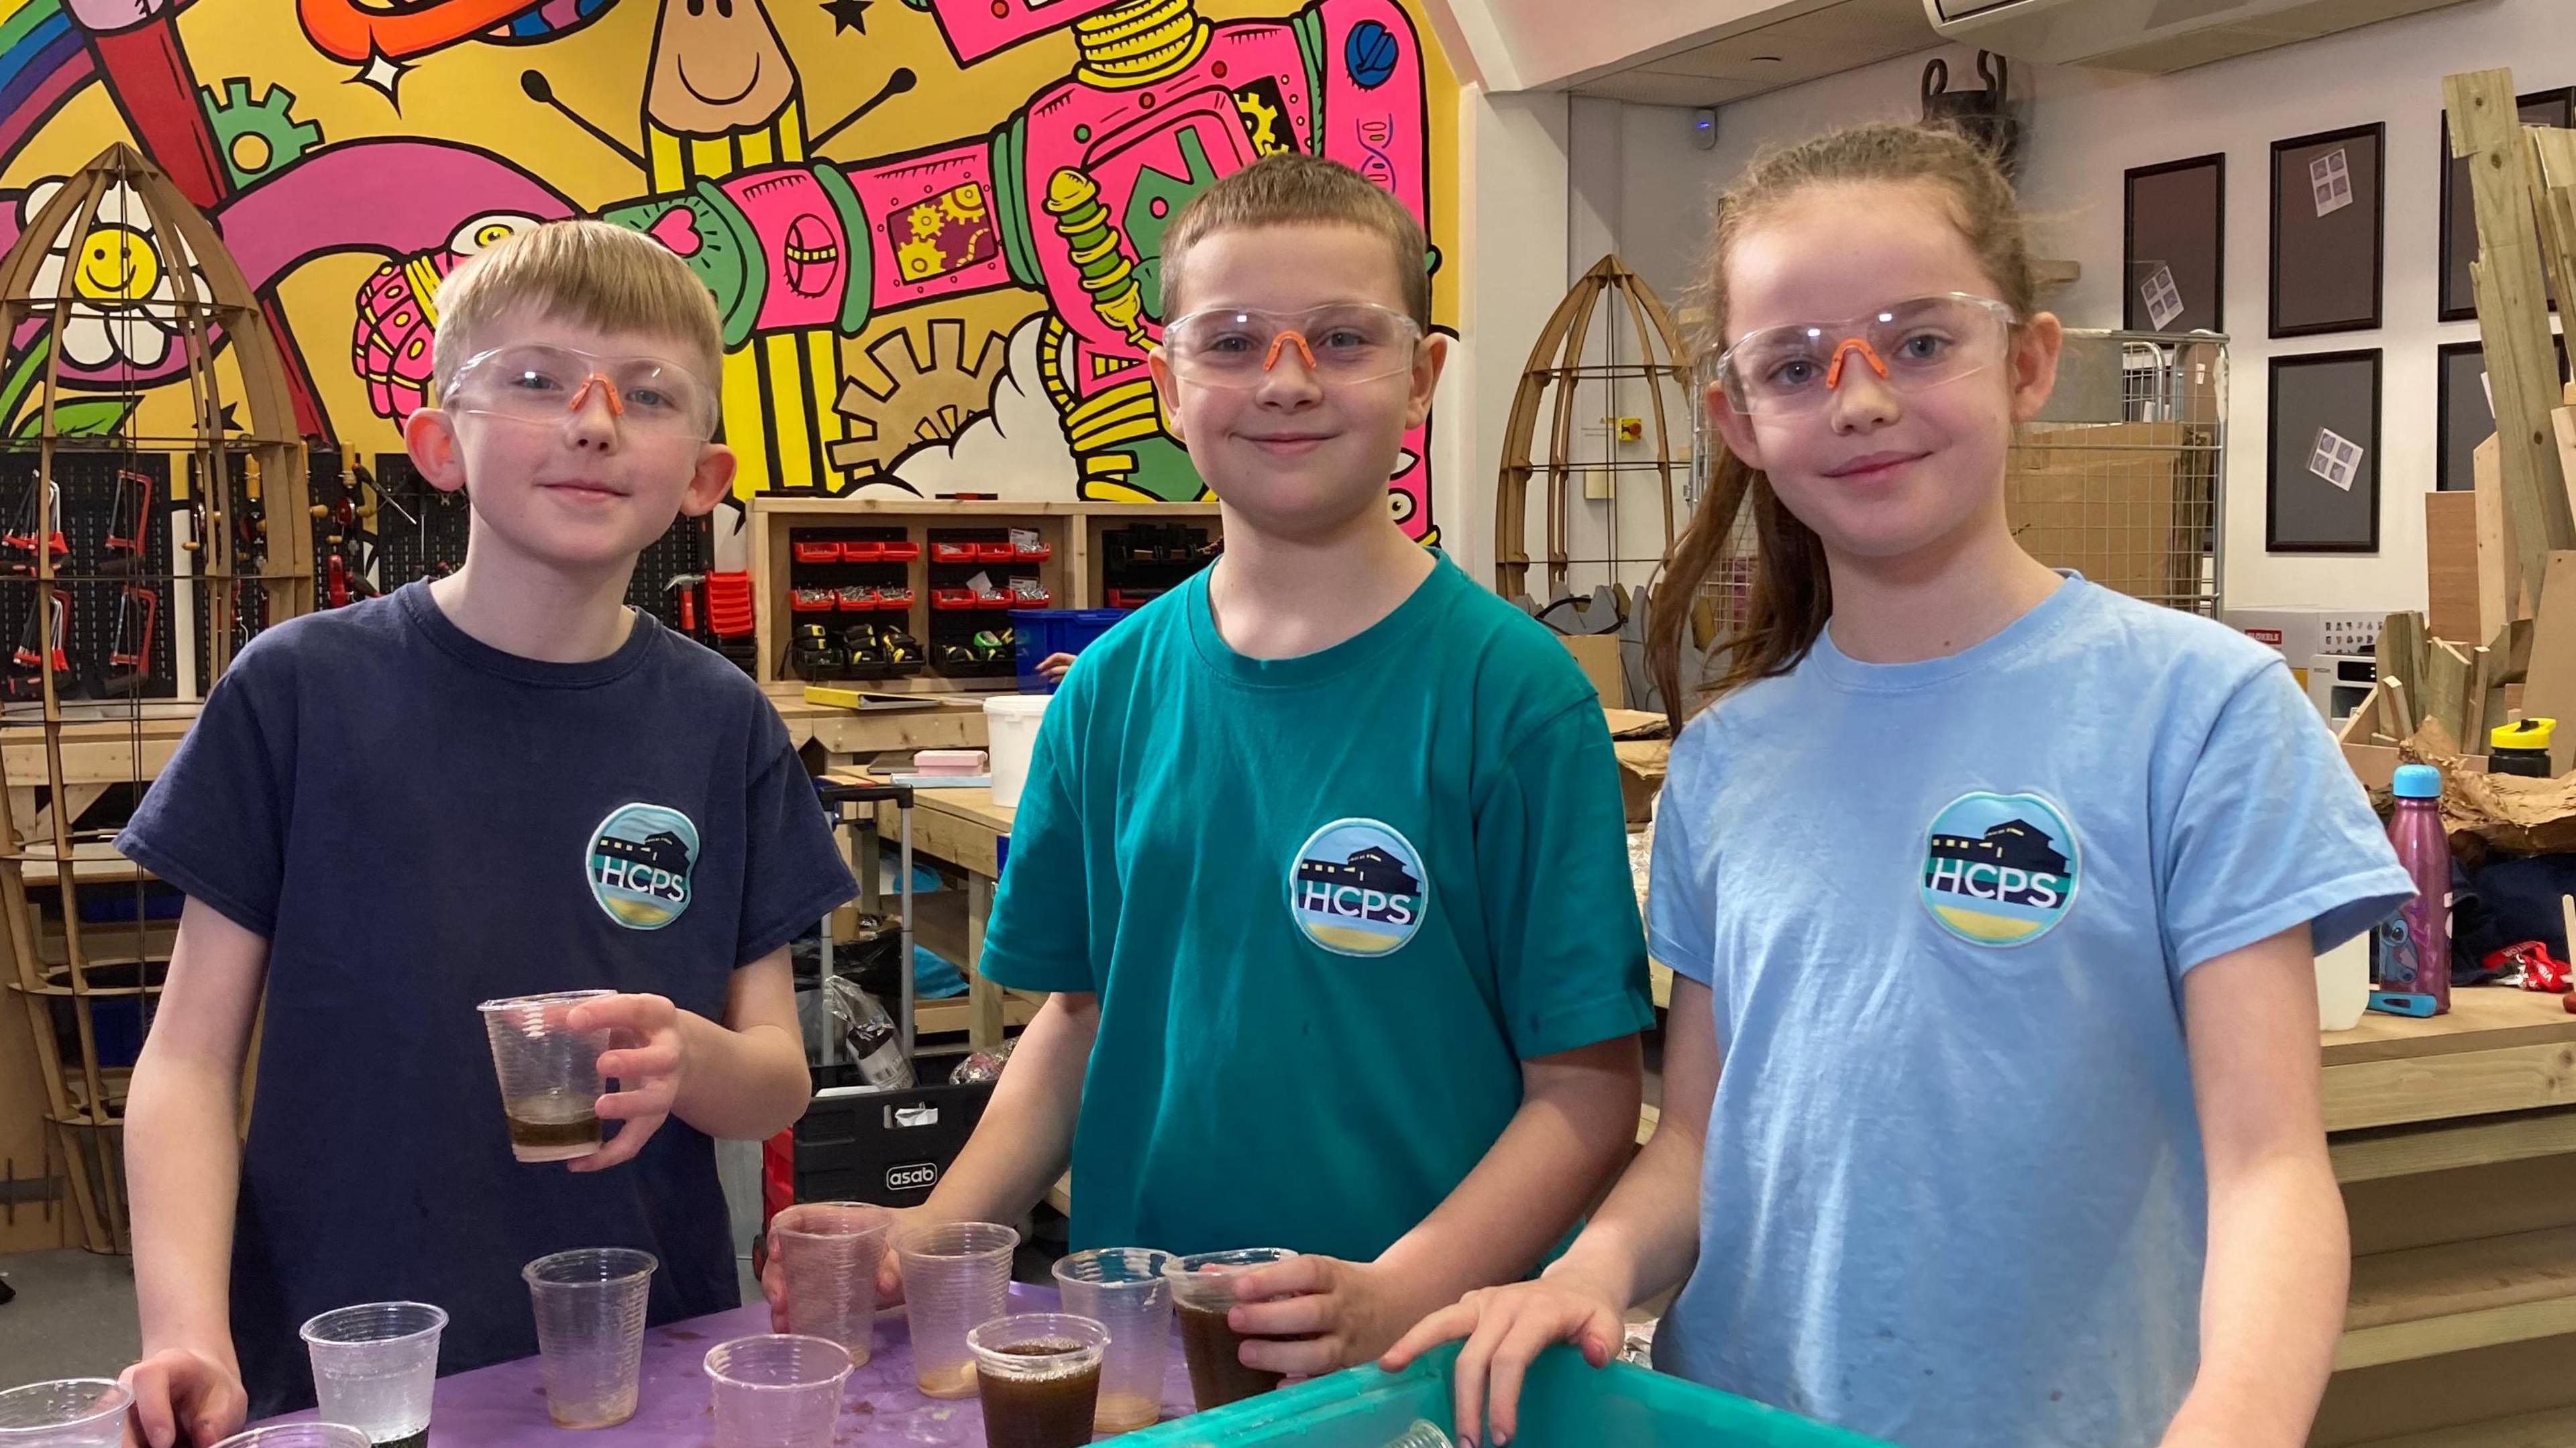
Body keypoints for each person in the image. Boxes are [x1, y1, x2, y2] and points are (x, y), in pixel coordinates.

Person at [1387, 122, 2413, 1448]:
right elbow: (1696, 1146)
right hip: (1745, 1422)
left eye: (1920, 342)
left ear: (2029, 362)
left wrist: (2237, 1422)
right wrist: (1584, 1271)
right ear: (1738, 421)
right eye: (1797, 366)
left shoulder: (2199, 711)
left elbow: (2271, 1165)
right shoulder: (1726, 761)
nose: (1862, 399)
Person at [770, 154, 1654, 1373]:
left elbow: (1589, 1097)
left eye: (1344, 339)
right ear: (1168, 380)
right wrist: (938, 1229)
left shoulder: (1515, 698)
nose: (1287, 382)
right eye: (1233, 341)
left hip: (1425, 1363)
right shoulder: (1111, 694)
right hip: (1155, 1350)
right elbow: (1077, 1020)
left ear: (1424, 377)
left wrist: (1397, 1295)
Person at [115, 220, 857, 1445]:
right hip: (340, 1347)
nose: (594, 419)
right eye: (534, 379)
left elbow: (776, 1080)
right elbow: (189, 1060)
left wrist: (686, 1058)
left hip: (636, 1358)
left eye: (649, 394)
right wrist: (183, 1329)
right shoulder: (300, 690)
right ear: (436, 444)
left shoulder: (723, 724)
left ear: (705, 475)